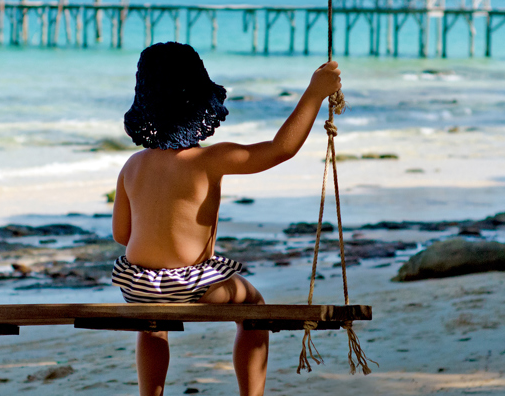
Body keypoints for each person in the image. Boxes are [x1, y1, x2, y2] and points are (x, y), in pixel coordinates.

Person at [111, 42, 342, 396]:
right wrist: (314, 93)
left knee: (152, 324)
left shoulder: (133, 166)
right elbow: (281, 149)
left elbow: (121, 235)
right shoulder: (210, 160)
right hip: (193, 284)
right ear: (198, 99)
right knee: (254, 307)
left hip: (139, 285)